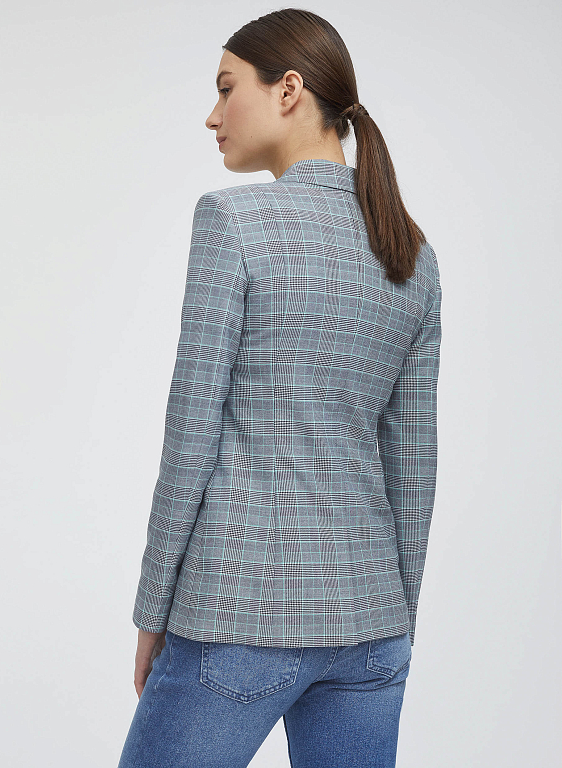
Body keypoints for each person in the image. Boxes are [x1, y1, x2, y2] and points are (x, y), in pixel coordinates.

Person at [118, 8, 442, 768]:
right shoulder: (411, 253)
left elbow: (190, 434)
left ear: (288, 89)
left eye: (226, 88)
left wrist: (153, 611)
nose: (213, 115)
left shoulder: (233, 223)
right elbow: (414, 465)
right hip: (371, 627)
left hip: (237, 615)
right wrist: (394, 620)